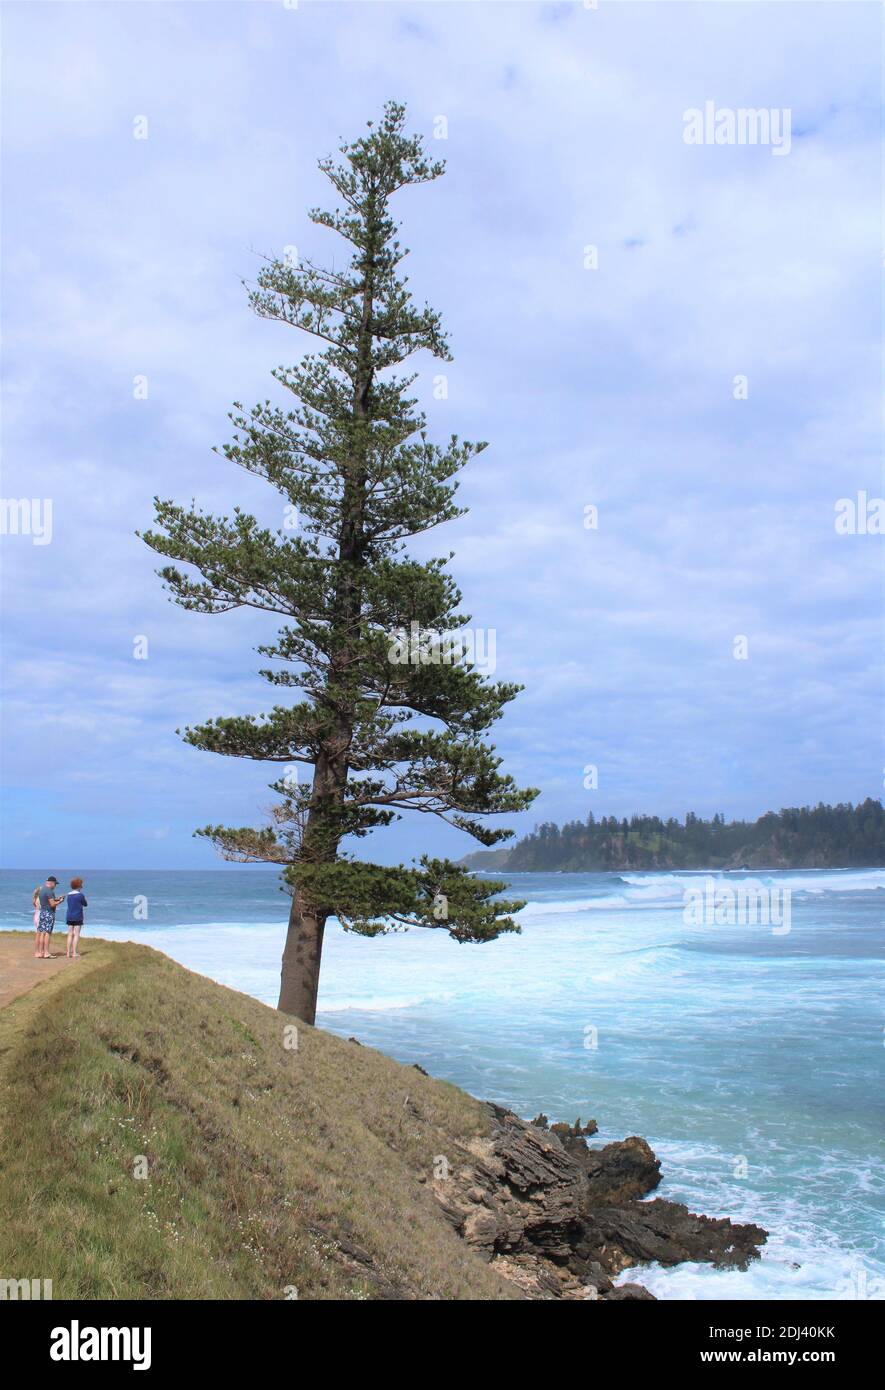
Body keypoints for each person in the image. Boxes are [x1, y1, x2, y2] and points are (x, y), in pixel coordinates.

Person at [35, 876, 65, 959]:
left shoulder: (42, 890)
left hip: (43, 912)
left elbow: (47, 901)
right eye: (55, 884)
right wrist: (60, 901)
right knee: (47, 933)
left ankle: (41, 952)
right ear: (51, 883)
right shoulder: (49, 891)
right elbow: (52, 904)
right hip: (49, 913)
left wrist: (56, 899)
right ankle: (46, 953)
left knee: (42, 932)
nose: (55, 886)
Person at [65, 878, 88, 959]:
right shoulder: (80, 895)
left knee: (70, 934)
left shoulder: (69, 894)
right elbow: (85, 904)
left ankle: (68, 952)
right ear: (79, 885)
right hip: (78, 916)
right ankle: (74, 952)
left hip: (69, 916)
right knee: (76, 934)